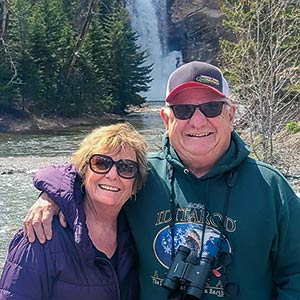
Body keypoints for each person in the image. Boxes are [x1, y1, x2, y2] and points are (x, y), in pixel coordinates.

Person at [20, 61, 300, 300]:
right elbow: (92, 173)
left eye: (212, 107)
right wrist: (51, 194)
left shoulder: (271, 187)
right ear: (166, 119)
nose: (198, 121)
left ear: (231, 114)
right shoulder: (140, 174)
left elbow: (296, 275)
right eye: (183, 110)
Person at [0, 122, 148, 300]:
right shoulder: (41, 234)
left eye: (126, 167)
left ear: (135, 184)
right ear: (84, 172)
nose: (112, 175)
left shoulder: (136, 234)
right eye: (101, 163)